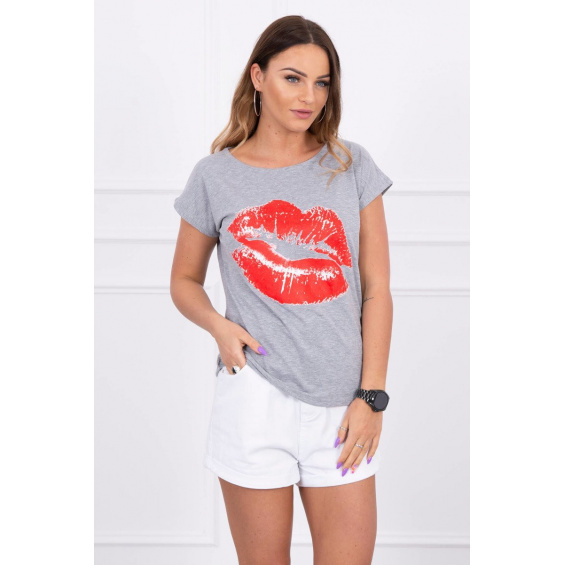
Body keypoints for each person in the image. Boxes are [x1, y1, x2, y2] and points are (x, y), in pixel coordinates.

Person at [170, 15, 393, 565]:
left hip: (344, 406)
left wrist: (372, 397)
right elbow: (183, 281)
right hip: (253, 397)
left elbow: (377, 289)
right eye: (293, 78)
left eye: (322, 83)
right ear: (258, 77)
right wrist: (219, 327)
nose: (308, 97)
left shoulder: (351, 165)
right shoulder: (214, 176)